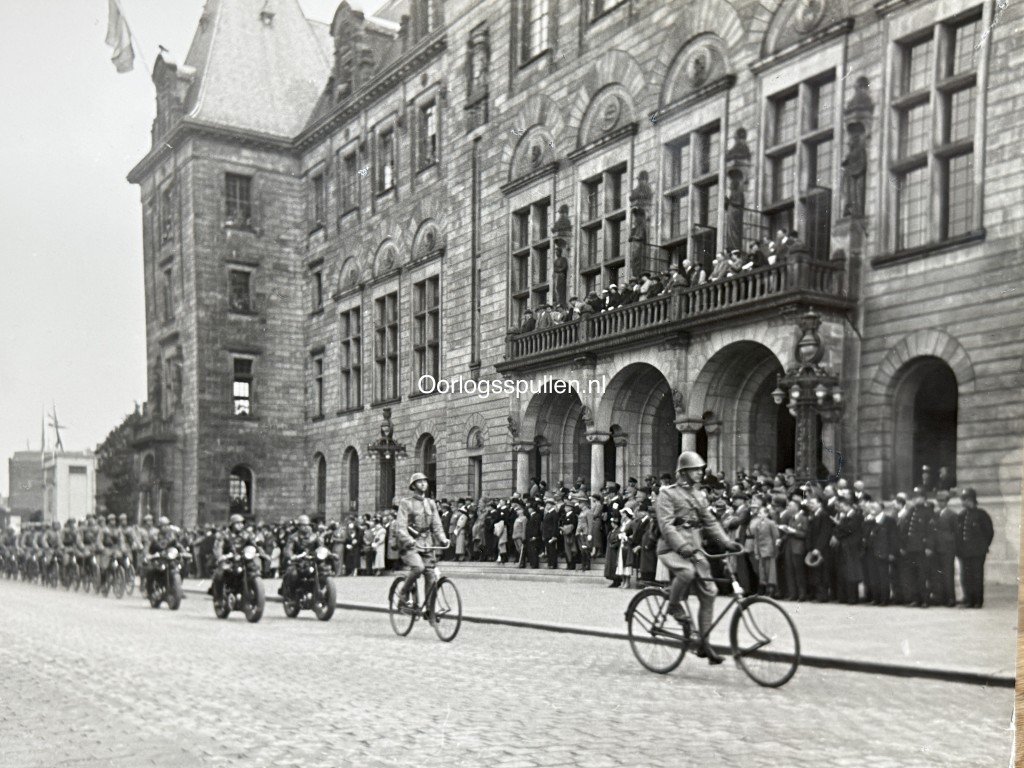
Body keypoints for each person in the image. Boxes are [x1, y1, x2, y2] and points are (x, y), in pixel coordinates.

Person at [655, 451, 743, 665]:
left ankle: (704, 644)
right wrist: (681, 545)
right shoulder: (667, 493)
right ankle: (674, 605)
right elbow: (666, 525)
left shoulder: (699, 495)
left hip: (695, 549)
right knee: (687, 572)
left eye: (700, 469)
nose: (699, 473)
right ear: (683, 472)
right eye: (695, 470)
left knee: (710, 593)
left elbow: (710, 522)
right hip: (671, 549)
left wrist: (725, 541)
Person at [394, 473, 450, 611]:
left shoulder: (430, 503)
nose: (423, 484)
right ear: (413, 486)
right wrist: (409, 539)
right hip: (410, 545)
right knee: (418, 568)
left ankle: (430, 610)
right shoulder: (406, 503)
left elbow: (436, 525)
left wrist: (443, 538)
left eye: (425, 481)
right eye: (419, 482)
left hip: (427, 544)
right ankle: (403, 592)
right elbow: (400, 526)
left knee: (430, 575)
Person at [955, 488, 993, 608]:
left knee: (977, 576)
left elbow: (989, 532)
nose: (962, 502)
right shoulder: (961, 515)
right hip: (964, 552)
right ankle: (968, 599)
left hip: (977, 552)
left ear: (970, 500)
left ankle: (977, 601)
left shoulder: (982, 515)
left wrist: (983, 546)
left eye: (964, 499)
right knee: (965, 576)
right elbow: (958, 534)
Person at [279, 515, 322, 597]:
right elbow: (288, 548)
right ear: (298, 526)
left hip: (312, 560)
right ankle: (291, 593)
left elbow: (321, 546)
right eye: (303, 525)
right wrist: (291, 556)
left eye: (307, 525)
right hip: (298, 561)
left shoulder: (315, 536)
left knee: (323, 570)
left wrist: (328, 553)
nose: (306, 527)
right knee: (293, 574)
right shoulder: (293, 537)